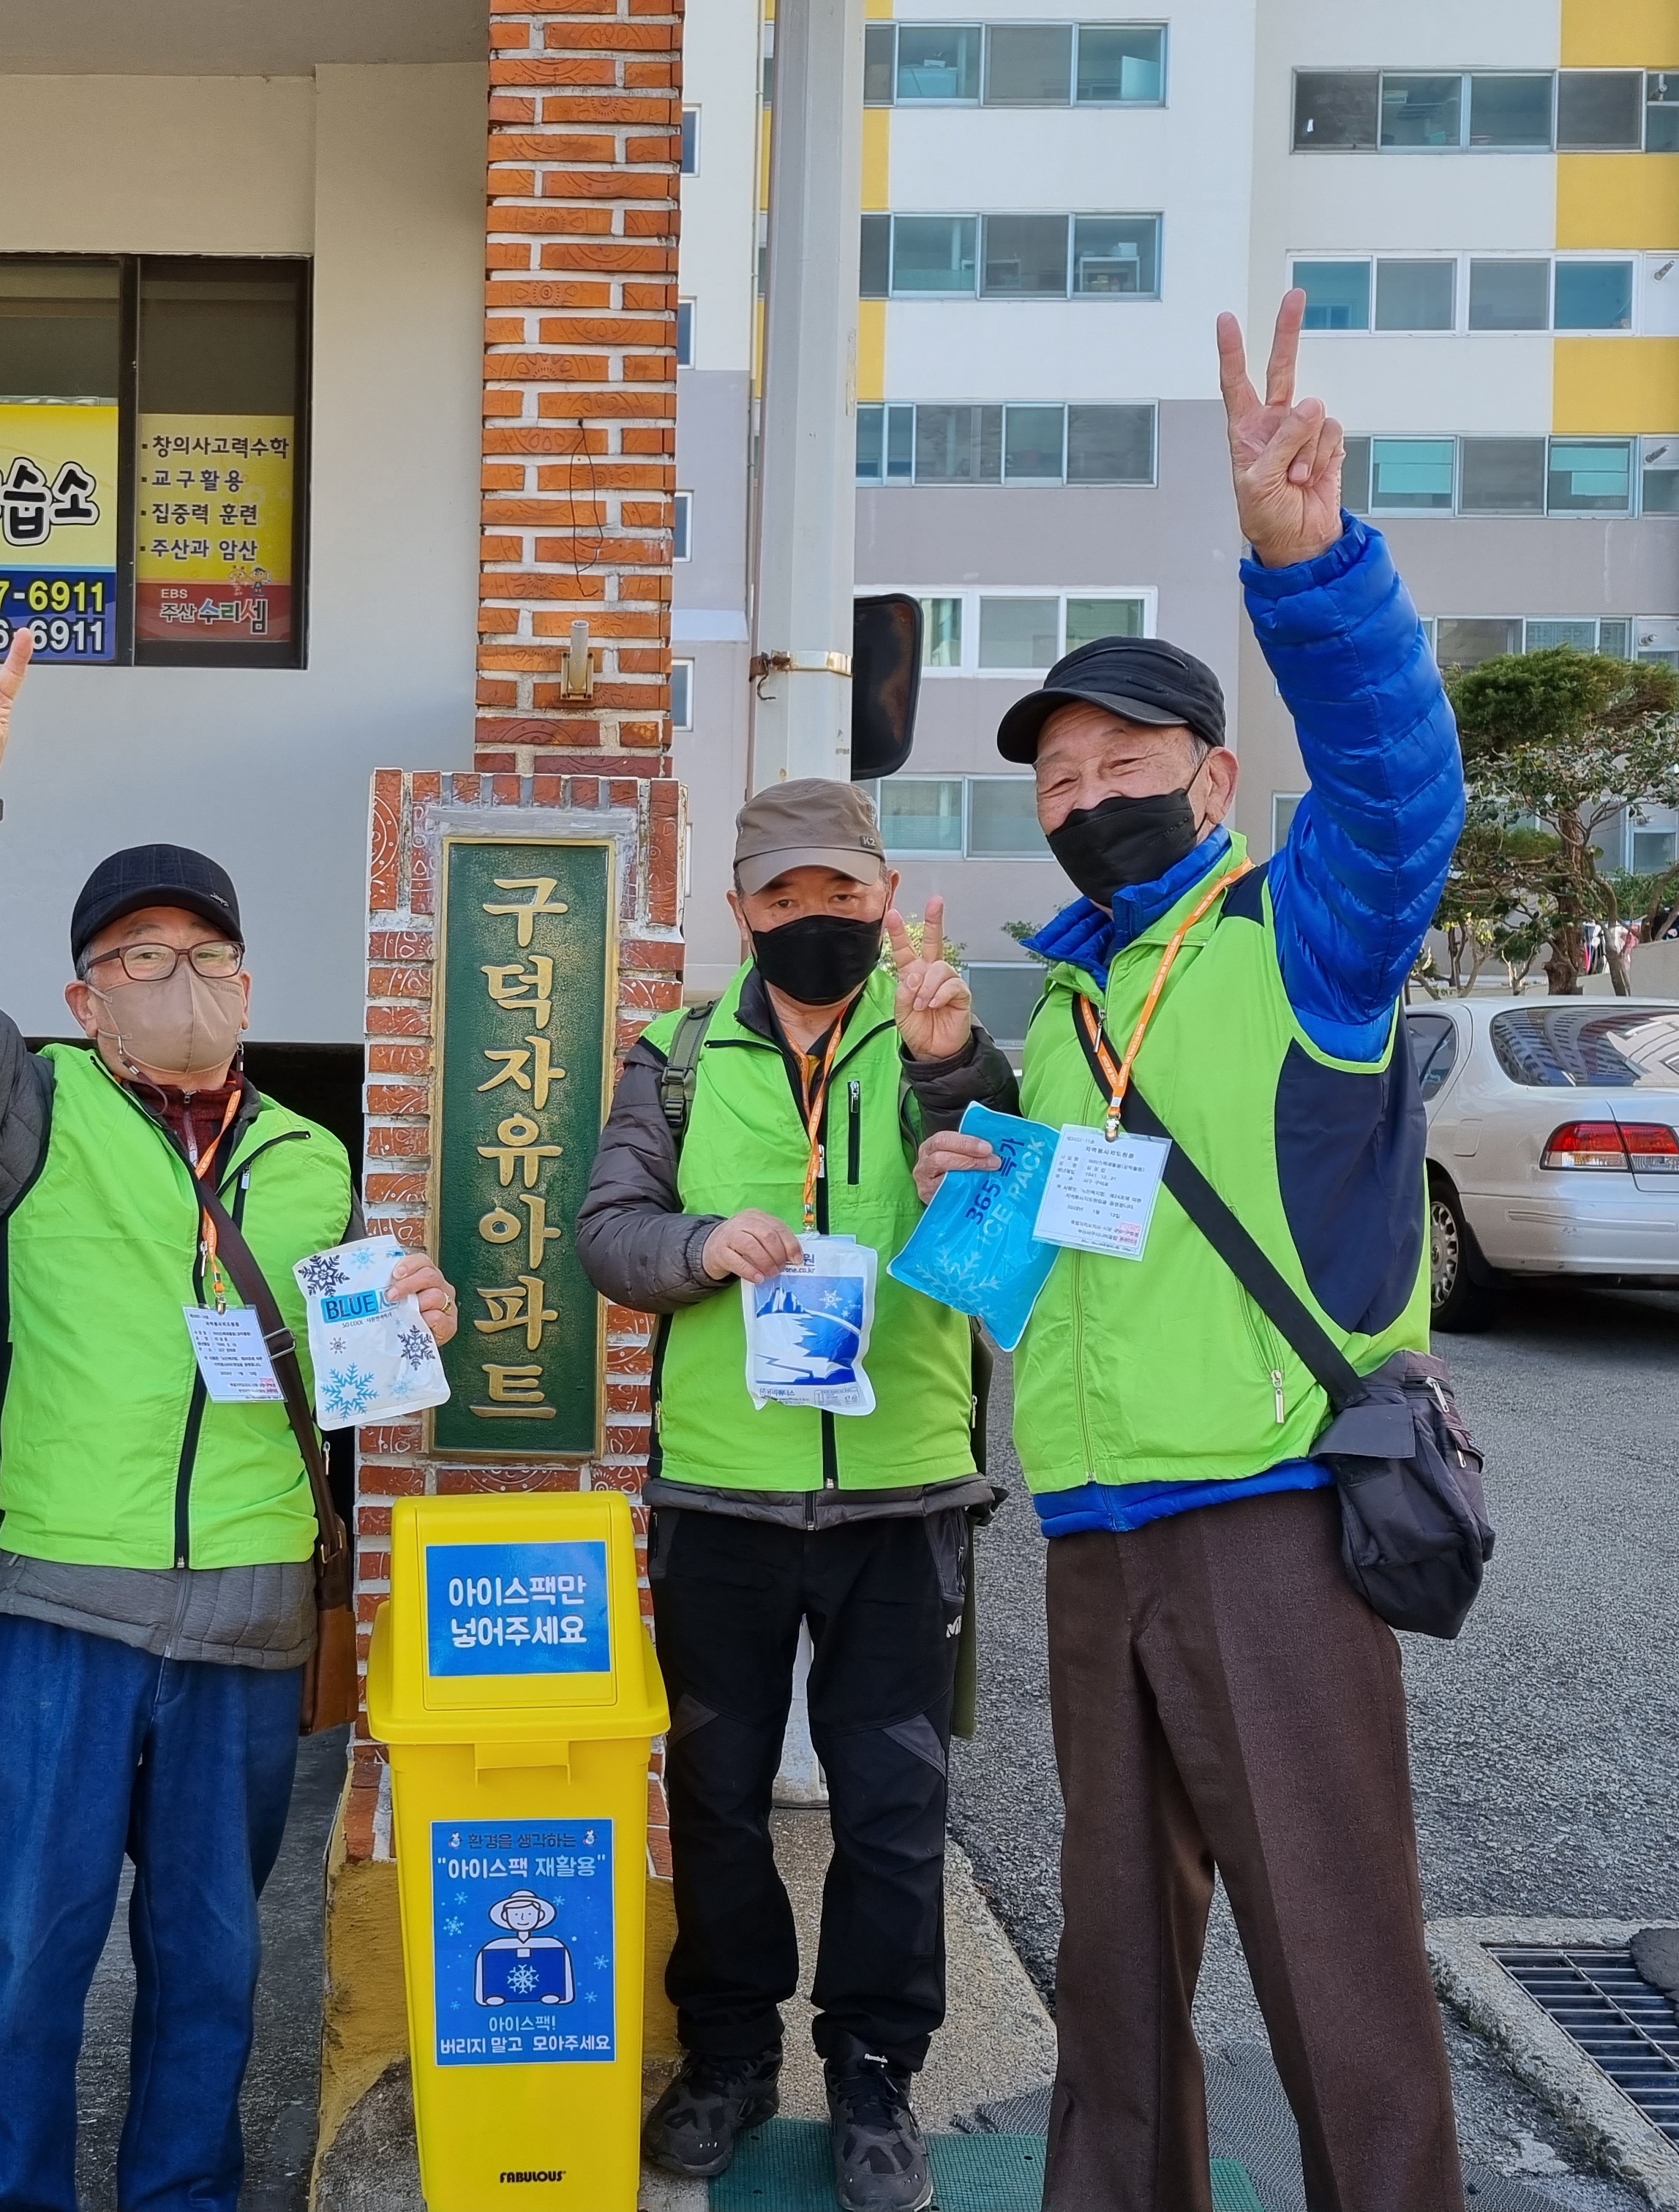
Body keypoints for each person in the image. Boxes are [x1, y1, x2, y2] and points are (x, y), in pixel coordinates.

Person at [912, 296, 1467, 2211]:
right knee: (1116, 1980)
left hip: (1272, 1521)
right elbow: (1064, 1250)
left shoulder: (1301, 942)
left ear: (1213, 783)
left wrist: (1310, 574)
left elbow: (1400, 791)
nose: (1087, 801)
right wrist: (965, 1150)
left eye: (1122, 763)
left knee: (1337, 1970)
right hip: (1096, 1533)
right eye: (1056, 782)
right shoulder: (1074, 1012)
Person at [0, 623, 463, 2212]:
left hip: (249, 1622)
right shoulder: (35, 1112)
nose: (177, 977)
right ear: (85, 993)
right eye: (138, 957)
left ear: (249, 983)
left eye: (205, 953)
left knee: (209, 1959)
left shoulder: (313, 1160)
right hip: (63, 1601)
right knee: (19, 1953)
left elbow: (343, 1374)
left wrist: (412, 1315)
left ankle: (180, 2196)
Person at [579, 780, 1019, 2212]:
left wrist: (954, 1084)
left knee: (894, 1803)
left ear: (884, 898)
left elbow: (1015, 1222)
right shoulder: (674, 1057)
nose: (815, 918)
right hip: (721, 1498)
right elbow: (610, 1233)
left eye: (842, 893)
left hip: (904, 1496)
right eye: (785, 896)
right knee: (715, 1797)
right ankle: (729, 2052)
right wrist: (703, 1243)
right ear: (741, 911)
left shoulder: (942, 1034)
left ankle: (877, 2068)